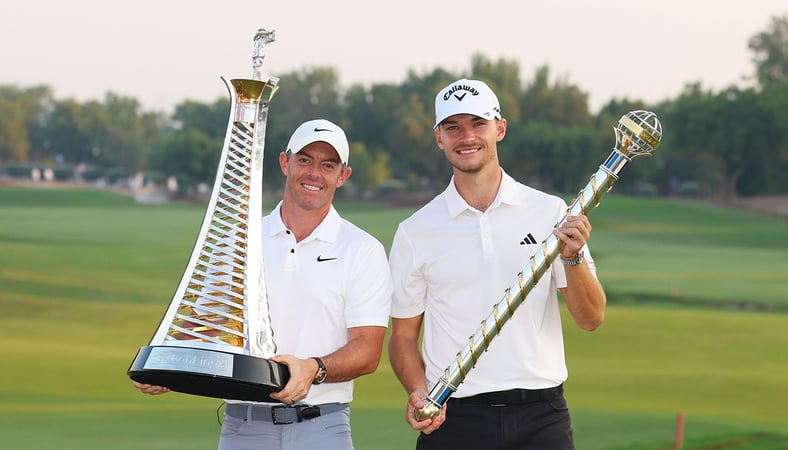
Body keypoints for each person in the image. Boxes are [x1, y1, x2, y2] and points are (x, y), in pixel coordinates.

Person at [135, 119, 393, 450]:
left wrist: (312, 369)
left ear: (343, 176)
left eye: (328, 165)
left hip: (322, 426)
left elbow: (367, 351)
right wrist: (164, 363)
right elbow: (208, 321)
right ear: (285, 162)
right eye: (304, 160)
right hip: (244, 427)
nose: (314, 173)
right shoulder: (238, 239)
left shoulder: (362, 249)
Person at [387, 79, 607, 450]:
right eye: (453, 127)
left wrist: (572, 257)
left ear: (500, 128)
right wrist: (418, 391)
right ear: (438, 137)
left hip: (542, 414)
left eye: (478, 124)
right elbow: (403, 338)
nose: (466, 136)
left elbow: (591, 318)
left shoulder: (551, 213)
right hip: (455, 417)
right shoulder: (415, 232)